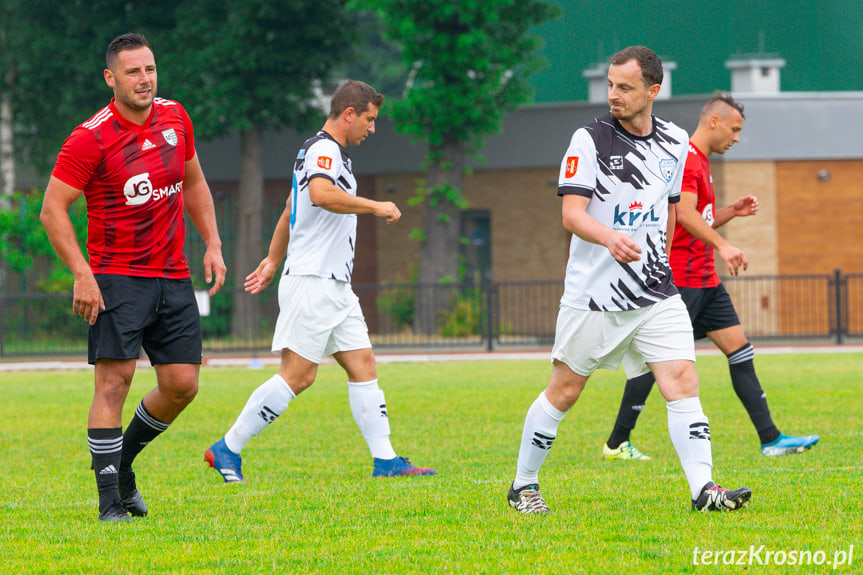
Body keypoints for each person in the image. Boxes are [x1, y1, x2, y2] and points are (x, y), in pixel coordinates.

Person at [507, 47, 751, 515]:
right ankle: (523, 485)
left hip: (657, 291)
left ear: (652, 91)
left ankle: (704, 490)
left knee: (682, 379)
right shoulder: (589, 140)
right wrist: (611, 239)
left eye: (625, 87)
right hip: (596, 296)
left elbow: (671, 209)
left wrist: (658, 255)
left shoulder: (676, 141)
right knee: (565, 391)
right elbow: (571, 214)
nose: (613, 95)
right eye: (610, 85)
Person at [204, 80, 435, 483]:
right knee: (298, 375)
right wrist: (375, 205)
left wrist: (273, 260)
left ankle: (387, 461)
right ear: (349, 113)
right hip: (313, 281)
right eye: (370, 119)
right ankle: (228, 448)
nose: (373, 128)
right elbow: (321, 195)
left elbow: (292, 208)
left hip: (333, 285)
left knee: (363, 364)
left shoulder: (325, 154)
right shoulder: (323, 150)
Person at [40, 33, 226, 522]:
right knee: (114, 384)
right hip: (116, 276)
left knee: (183, 384)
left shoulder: (175, 117)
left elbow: (195, 181)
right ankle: (109, 504)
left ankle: (121, 464)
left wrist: (213, 242)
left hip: (173, 274)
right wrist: (82, 273)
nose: (145, 80)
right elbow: (52, 210)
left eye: (150, 69)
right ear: (111, 78)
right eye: (133, 72)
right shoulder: (90, 137)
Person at [601, 93, 819, 461]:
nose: (736, 138)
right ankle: (617, 442)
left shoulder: (702, 162)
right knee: (656, 362)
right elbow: (684, 213)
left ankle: (770, 438)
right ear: (713, 122)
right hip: (683, 280)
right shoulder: (687, 158)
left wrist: (730, 212)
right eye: (734, 129)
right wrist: (724, 246)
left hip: (706, 281)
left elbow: (697, 218)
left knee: (740, 351)